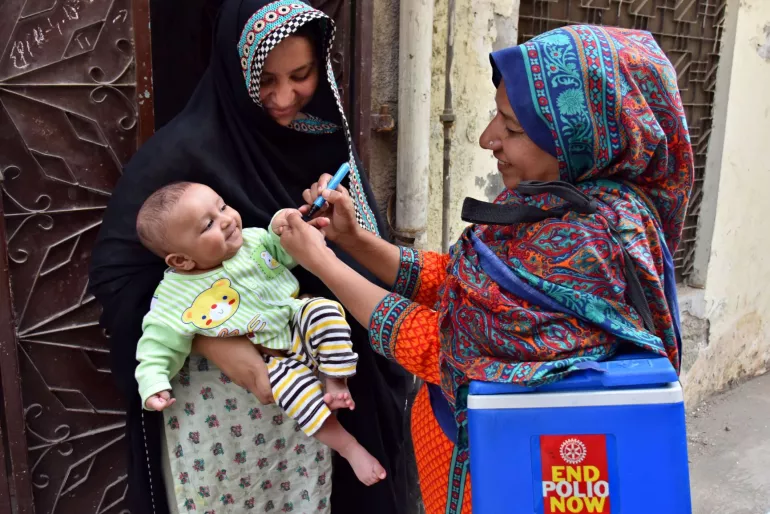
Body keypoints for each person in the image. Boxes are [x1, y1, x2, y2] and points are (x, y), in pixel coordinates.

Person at [276, 25, 693, 514]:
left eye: (513, 128)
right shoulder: (556, 203)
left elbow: (446, 348)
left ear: (584, 138)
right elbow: (459, 283)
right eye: (498, 116)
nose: (487, 138)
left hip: (504, 476)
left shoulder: (587, 245)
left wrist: (323, 263)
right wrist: (354, 241)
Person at [88, 1, 409, 513]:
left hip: (335, 386)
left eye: (301, 75)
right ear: (237, 75)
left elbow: (370, 262)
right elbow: (117, 276)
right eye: (265, 82)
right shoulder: (183, 154)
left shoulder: (324, 138)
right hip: (228, 425)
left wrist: (333, 233)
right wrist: (207, 337)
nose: (284, 99)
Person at [135, 181, 385, 485]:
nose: (227, 219)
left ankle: (335, 379)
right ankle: (348, 447)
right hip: (269, 356)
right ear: (182, 260)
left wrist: (284, 226)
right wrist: (154, 383)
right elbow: (157, 342)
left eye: (223, 206)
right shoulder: (174, 294)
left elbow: (287, 252)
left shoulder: (254, 240)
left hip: (296, 321)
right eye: (209, 224)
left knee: (324, 310)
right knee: (295, 396)